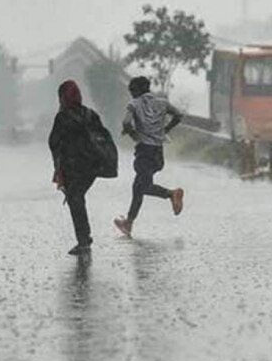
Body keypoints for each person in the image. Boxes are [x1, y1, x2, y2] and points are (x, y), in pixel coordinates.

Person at [114, 76, 184, 237]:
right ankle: (128, 223)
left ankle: (171, 194)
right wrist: (165, 130)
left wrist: (133, 134)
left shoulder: (134, 104)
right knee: (137, 187)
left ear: (137, 90)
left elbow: (126, 122)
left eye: (132, 91)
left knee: (143, 186)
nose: (131, 95)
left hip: (144, 152)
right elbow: (179, 115)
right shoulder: (162, 102)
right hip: (158, 153)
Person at [49, 80, 111, 255]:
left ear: (62, 97)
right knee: (77, 198)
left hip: (73, 167)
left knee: (75, 199)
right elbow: (103, 137)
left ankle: (84, 240)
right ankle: (84, 239)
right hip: (91, 167)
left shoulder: (62, 117)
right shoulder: (91, 114)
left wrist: (58, 165)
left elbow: (54, 142)